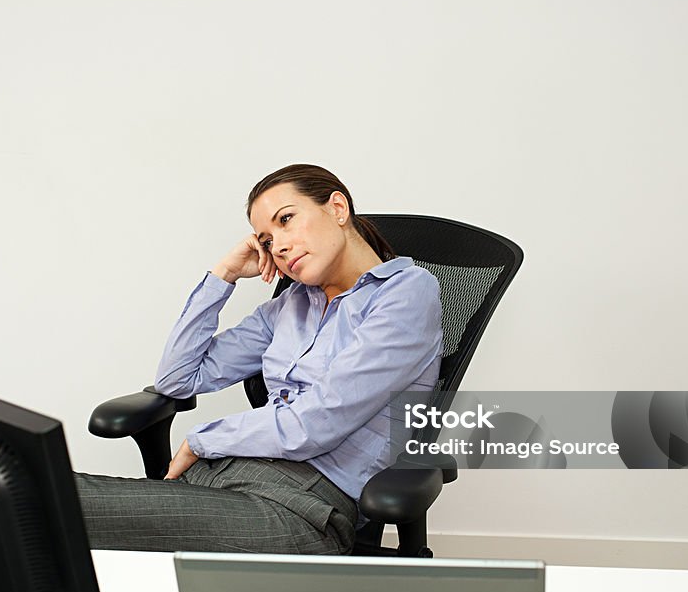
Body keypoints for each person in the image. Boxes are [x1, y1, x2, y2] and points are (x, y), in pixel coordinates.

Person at [75, 164, 443, 555]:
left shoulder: (405, 294)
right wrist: (223, 276)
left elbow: (317, 422)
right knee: (45, 517)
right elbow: (177, 380)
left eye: (287, 220)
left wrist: (204, 439)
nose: (279, 247)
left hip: (297, 504)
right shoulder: (290, 306)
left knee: (52, 499)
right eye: (267, 241)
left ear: (337, 208)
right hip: (216, 477)